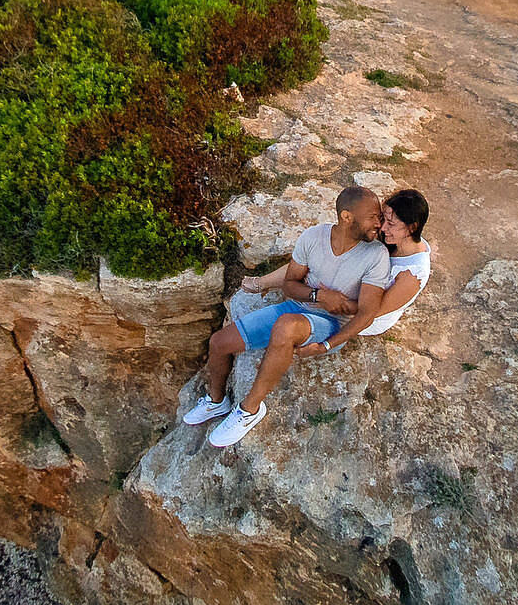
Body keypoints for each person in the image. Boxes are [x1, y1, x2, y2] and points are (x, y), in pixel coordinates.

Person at [183, 184, 392, 447]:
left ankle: (250, 410)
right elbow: (291, 284)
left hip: (330, 324)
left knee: (285, 327)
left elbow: (367, 314)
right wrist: (319, 296)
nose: (380, 223)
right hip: (298, 309)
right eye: (373, 217)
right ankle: (216, 401)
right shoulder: (313, 237)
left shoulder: (376, 255)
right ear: (346, 217)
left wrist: (328, 344)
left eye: (380, 217)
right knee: (218, 343)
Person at [242, 188, 431, 339]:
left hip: (363, 313)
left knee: (321, 272)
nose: (382, 227)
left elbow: (373, 312)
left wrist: (331, 299)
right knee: (319, 258)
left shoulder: (413, 274)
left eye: (391, 224)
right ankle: (262, 283)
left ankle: (269, 286)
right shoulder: (393, 237)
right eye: (383, 219)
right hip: (362, 281)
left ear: (412, 228)